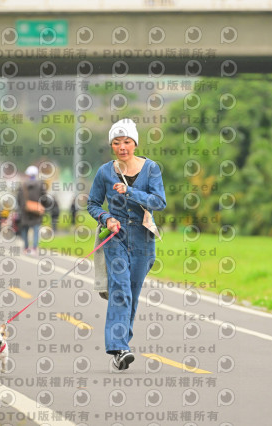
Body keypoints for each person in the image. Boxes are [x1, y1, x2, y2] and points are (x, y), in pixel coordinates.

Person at [87, 118, 166, 370]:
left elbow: (159, 202)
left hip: (143, 237)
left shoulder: (151, 169)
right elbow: (92, 204)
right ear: (111, 145)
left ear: (135, 143)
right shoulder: (104, 172)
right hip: (116, 235)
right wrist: (106, 218)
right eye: (116, 142)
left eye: (127, 142)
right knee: (120, 289)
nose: (122, 147)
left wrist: (130, 192)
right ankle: (120, 348)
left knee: (131, 292)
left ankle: (121, 347)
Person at [17, 166, 46, 255]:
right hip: (36, 211)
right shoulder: (40, 184)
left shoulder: (23, 185)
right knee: (36, 230)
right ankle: (34, 248)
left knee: (24, 230)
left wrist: (22, 207)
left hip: (25, 211)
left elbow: (18, 199)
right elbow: (44, 198)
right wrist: (41, 206)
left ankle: (26, 248)